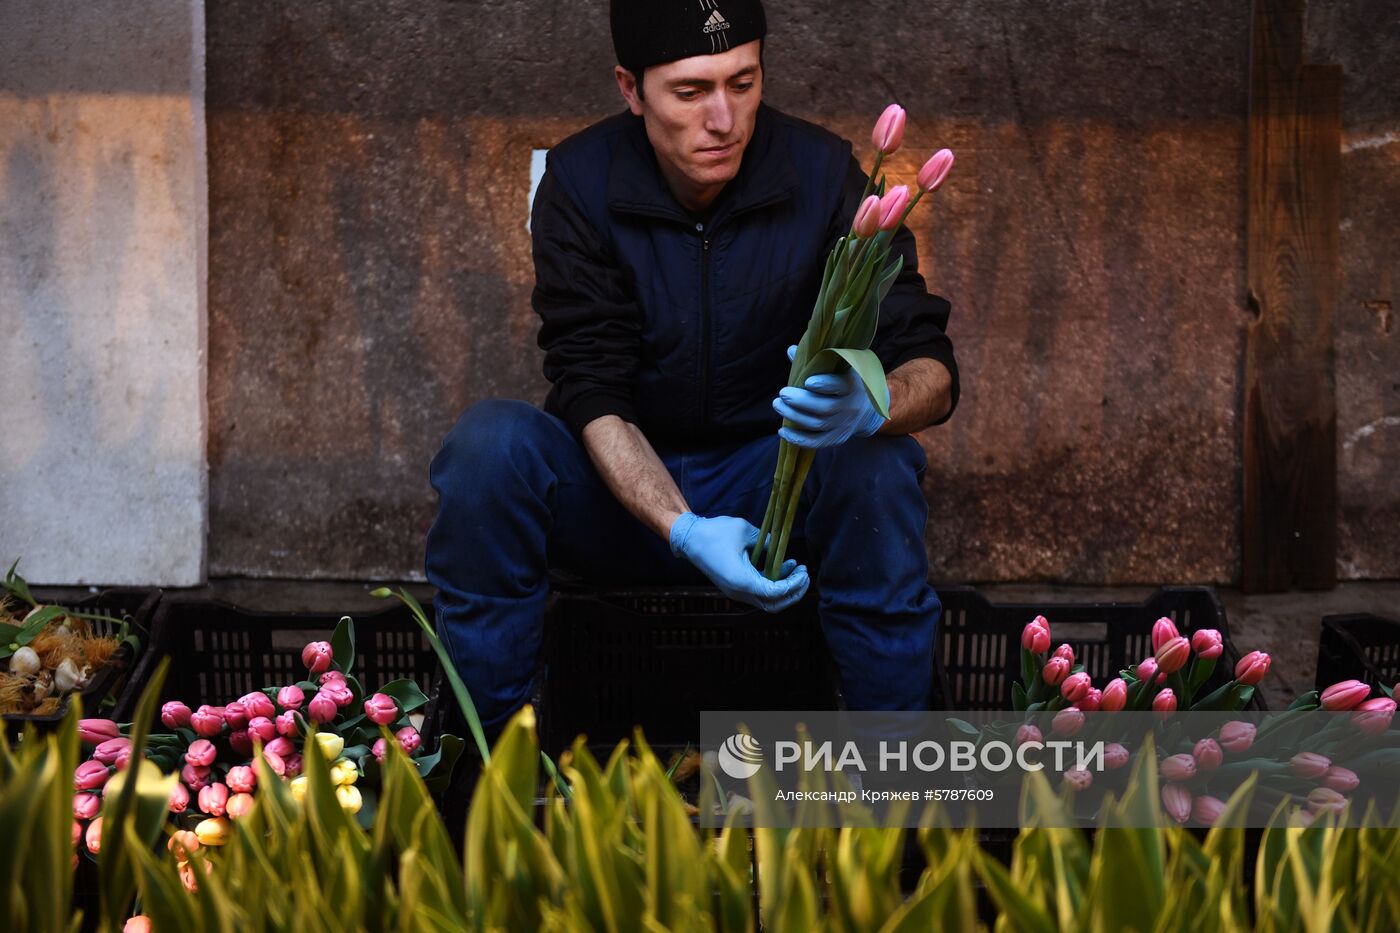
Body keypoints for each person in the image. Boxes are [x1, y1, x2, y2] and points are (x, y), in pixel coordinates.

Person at [425, 0, 960, 741]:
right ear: (629, 88)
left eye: (743, 82)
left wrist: (873, 402)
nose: (724, 118)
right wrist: (683, 527)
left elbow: (930, 363)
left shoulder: (823, 173)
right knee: (489, 447)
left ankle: (897, 793)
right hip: (620, 495)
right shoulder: (581, 183)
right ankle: (488, 780)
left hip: (779, 484)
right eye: (690, 91)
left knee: (877, 464)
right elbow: (590, 387)